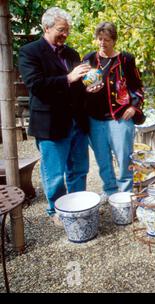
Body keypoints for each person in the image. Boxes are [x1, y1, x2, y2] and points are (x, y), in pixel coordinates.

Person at [18, 7, 91, 226]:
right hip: (50, 124)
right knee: (55, 173)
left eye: (67, 30)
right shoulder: (29, 52)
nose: (65, 35)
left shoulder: (71, 53)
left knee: (79, 169)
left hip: (76, 122)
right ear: (46, 27)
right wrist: (68, 78)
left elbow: (76, 86)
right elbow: (36, 86)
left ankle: (77, 207)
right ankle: (57, 210)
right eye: (61, 30)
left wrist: (89, 87)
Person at [82, 22, 144, 198]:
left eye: (107, 40)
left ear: (114, 40)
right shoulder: (89, 59)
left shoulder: (126, 59)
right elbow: (81, 86)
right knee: (103, 160)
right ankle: (109, 191)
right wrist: (86, 89)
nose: (102, 43)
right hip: (95, 119)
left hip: (120, 117)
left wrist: (133, 106)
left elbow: (138, 86)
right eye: (100, 39)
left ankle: (125, 193)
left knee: (124, 158)